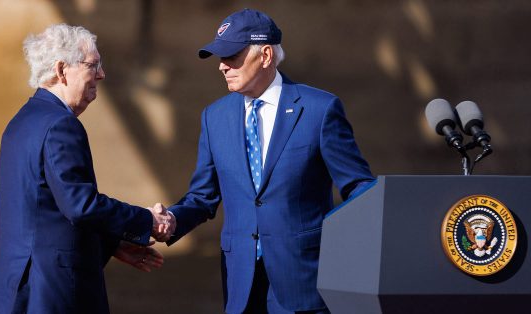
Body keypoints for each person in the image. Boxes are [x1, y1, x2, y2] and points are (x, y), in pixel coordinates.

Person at [160, 8, 375, 314]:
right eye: (219, 58)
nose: (222, 67)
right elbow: (202, 197)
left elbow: (360, 188)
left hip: (305, 282)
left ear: (265, 55)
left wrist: (348, 251)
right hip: (241, 286)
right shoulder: (214, 117)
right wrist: (171, 220)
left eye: (232, 56)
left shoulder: (319, 110)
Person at [0, 24, 173, 314]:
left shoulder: (21, 121)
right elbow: (80, 206)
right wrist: (147, 221)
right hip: (49, 295)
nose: (102, 75)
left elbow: (42, 213)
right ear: (61, 69)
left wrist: (111, 242)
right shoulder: (61, 125)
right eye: (93, 65)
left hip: (9, 292)